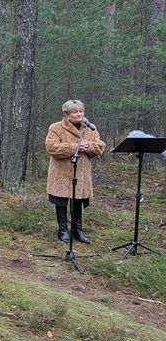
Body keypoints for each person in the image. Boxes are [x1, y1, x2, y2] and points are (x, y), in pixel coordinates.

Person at [45, 99, 105, 244]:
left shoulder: (90, 128)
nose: (79, 114)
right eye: (75, 112)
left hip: (82, 173)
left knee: (78, 200)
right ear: (67, 114)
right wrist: (74, 147)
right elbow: (51, 147)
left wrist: (89, 146)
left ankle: (77, 230)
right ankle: (63, 230)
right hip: (62, 172)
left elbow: (100, 145)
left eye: (81, 111)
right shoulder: (56, 128)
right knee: (61, 200)